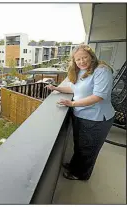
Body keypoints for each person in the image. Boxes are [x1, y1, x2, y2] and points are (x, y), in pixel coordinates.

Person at [46, 44, 115, 181]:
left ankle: (81, 174)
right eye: (78, 59)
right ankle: (74, 165)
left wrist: (72, 104)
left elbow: (98, 96)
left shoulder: (101, 70)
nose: (82, 61)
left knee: (88, 148)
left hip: (96, 118)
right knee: (80, 145)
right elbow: (74, 89)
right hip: (80, 115)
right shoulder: (80, 71)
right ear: (74, 61)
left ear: (91, 57)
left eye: (85, 57)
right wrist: (56, 88)